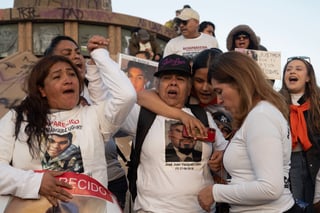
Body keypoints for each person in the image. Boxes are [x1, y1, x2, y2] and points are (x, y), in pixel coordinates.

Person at [0, 39, 136, 211]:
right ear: (42, 89)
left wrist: (99, 54)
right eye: (57, 76)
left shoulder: (94, 115)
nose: (68, 80)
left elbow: (127, 96)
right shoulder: (17, 118)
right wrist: (35, 183)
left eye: (72, 75)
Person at [120, 54, 227, 212]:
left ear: (189, 87)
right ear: (157, 85)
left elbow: (224, 150)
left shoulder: (203, 116)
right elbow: (111, 105)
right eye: (166, 78)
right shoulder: (140, 113)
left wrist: (221, 156)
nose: (173, 83)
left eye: (181, 79)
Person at [197, 51, 298, 212]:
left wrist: (215, 192)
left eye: (219, 91)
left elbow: (270, 188)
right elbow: (248, 177)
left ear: (239, 82)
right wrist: (223, 169)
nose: (219, 101)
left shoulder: (261, 116)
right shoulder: (259, 114)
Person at [44, 35, 130, 210]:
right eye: (67, 53)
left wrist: (96, 58)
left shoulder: (96, 89)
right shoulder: (32, 106)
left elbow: (121, 101)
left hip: (109, 181)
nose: (76, 57)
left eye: (78, 52)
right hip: (62, 189)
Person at [279, 56, 320, 212]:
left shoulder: (317, 103)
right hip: (287, 162)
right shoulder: (276, 102)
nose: (292, 72)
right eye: (288, 69)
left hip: (313, 161)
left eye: (298, 69)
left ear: (308, 77)